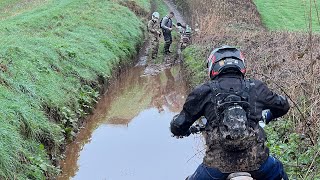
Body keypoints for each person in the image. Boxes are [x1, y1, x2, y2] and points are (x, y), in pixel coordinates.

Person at [170, 45, 290, 180]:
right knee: (279, 171)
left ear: (212, 66)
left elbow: (179, 125)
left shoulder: (203, 91)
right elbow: (283, 106)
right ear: (241, 64)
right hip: (258, 163)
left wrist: (179, 129)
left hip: (216, 167)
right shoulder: (256, 87)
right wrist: (269, 115)